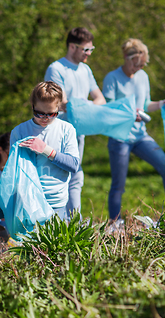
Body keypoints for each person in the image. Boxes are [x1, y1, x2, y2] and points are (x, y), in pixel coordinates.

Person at [0, 81, 79, 252]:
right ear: (33, 106)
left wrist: (47, 150)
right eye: (40, 113)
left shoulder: (66, 130)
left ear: (59, 109)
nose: (45, 119)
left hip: (52, 202)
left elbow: (74, 165)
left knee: (45, 253)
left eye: (51, 114)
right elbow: (13, 171)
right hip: (23, 198)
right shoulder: (20, 131)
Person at [102, 38, 165, 221]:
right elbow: (107, 108)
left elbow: (146, 104)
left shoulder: (143, 77)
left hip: (141, 136)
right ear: (126, 57)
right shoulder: (112, 78)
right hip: (119, 137)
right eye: (136, 64)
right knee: (119, 184)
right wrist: (129, 114)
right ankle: (115, 223)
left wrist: (163, 104)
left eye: (142, 65)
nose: (138, 68)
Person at [44, 27, 106, 218]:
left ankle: (73, 223)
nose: (88, 54)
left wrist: (82, 107)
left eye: (91, 50)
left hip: (79, 131)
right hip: (60, 131)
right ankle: (58, 223)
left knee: (76, 177)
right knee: (61, 176)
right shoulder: (56, 69)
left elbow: (100, 99)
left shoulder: (86, 70)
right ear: (72, 46)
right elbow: (58, 103)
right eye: (85, 49)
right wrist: (83, 106)